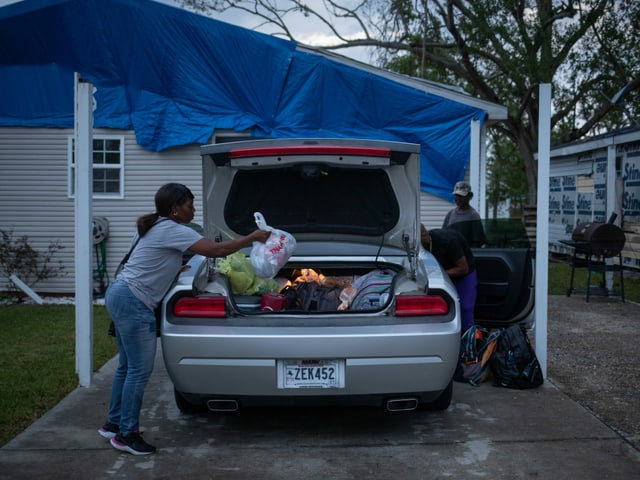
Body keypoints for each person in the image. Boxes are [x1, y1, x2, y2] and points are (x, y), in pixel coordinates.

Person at [98, 183, 270, 455]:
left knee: (126, 367)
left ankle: (113, 423)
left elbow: (145, 259)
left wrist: (173, 267)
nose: (193, 210)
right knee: (138, 371)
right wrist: (251, 238)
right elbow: (216, 250)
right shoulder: (174, 229)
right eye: (189, 205)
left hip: (120, 292)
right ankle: (126, 434)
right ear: (175, 208)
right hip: (134, 301)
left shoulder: (152, 225)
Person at [421, 224, 477, 333]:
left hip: (464, 273)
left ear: (424, 236)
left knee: (465, 308)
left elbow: (463, 268)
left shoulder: (448, 241)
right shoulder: (420, 246)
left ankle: (467, 340)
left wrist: (439, 273)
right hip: (444, 271)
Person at [442, 181, 486, 247]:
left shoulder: (473, 216)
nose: (457, 198)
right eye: (456, 195)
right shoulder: (450, 213)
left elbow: (478, 241)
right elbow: (443, 234)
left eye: (461, 195)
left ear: (469, 196)